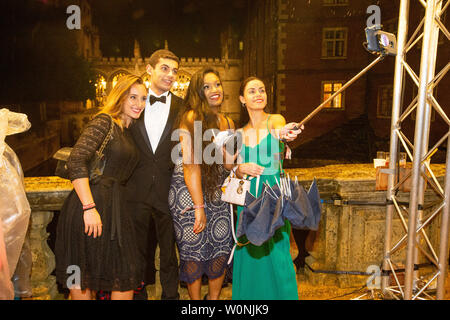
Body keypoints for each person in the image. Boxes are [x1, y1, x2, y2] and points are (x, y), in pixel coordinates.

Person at [55, 75, 147, 300]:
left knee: (122, 279)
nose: (139, 104)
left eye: (143, 98)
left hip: (113, 211)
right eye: (132, 97)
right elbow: (76, 160)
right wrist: (89, 207)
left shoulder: (126, 130)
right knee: (83, 282)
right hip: (89, 210)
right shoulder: (104, 121)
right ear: (120, 97)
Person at [226, 76, 302, 300]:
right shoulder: (238, 133)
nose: (258, 94)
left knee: (278, 256)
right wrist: (241, 168)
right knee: (250, 256)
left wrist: (285, 133)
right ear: (242, 98)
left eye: (261, 90)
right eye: (252, 91)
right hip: (249, 200)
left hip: (273, 198)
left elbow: (280, 131)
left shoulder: (275, 120)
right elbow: (228, 165)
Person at [169, 67, 235, 300]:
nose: (214, 90)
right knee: (193, 251)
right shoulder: (191, 117)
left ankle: (213, 301)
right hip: (189, 191)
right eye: (206, 87)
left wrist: (224, 148)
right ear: (198, 92)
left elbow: (227, 166)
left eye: (217, 84)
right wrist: (199, 208)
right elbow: (190, 165)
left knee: (220, 248)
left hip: (218, 192)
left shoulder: (227, 120)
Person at [127, 49, 183, 300]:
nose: (170, 75)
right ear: (149, 70)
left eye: (174, 71)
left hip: (169, 191)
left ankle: (171, 297)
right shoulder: (132, 103)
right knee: (136, 252)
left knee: (170, 255)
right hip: (135, 191)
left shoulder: (183, 107)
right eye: (165, 68)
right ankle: (138, 297)